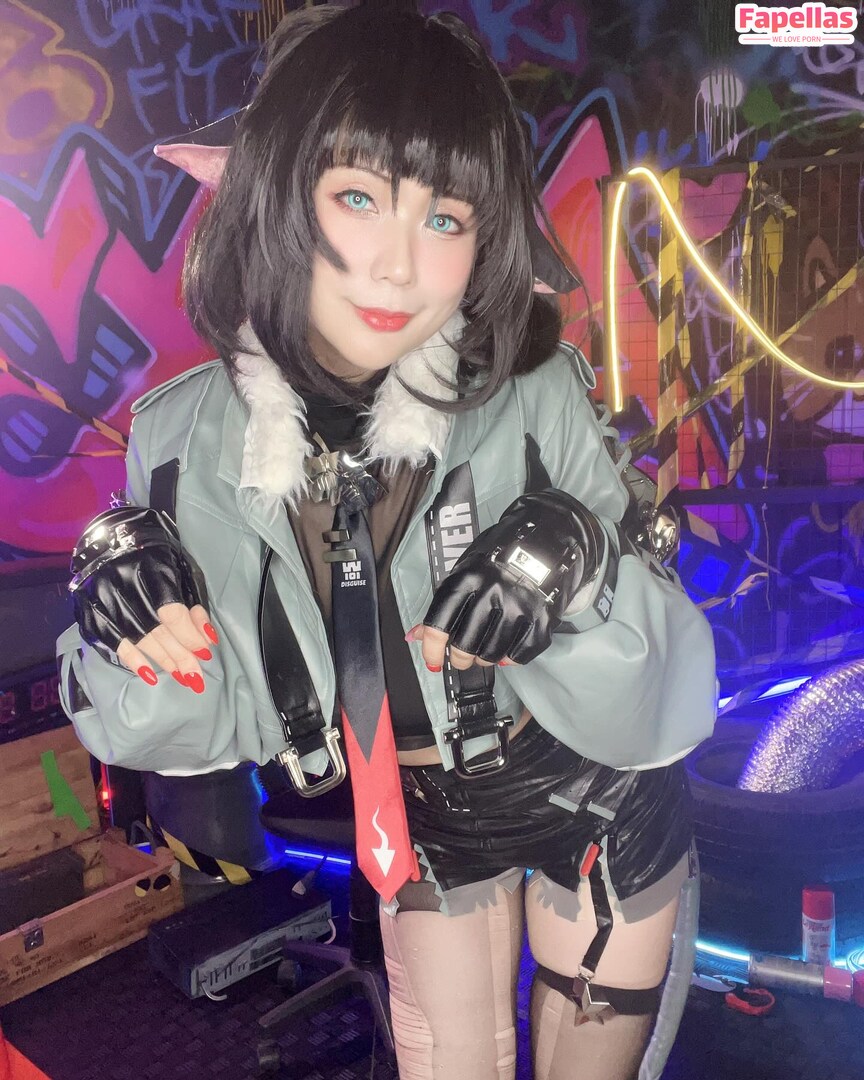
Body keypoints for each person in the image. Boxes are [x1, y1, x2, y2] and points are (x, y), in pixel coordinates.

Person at [56, 5, 716, 1079]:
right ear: (275, 195)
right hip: (417, 818)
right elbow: (183, 730)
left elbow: (664, 681)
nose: (400, 269)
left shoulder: (535, 390)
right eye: (358, 197)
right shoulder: (185, 441)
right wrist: (121, 607)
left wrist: (577, 558)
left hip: (593, 790)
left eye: (445, 218)